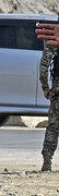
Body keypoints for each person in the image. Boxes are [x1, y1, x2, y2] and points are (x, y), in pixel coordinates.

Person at [39, 43, 59, 171]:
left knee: (53, 125)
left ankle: (47, 160)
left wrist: (45, 86)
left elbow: (44, 65)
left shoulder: (54, 42)